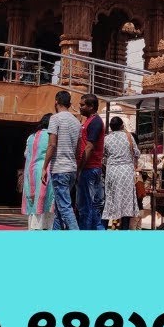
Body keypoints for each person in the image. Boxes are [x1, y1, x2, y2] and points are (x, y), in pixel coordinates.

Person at [45, 91, 81, 230]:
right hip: (71, 168)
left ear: (56, 101)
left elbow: (52, 144)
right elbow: (78, 149)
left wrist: (44, 167)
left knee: (65, 207)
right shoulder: (76, 121)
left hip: (59, 168)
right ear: (69, 103)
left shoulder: (55, 119)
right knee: (60, 208)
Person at [101, 116, 141, 229]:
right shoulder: (128, 136)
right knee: (127, 201)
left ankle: (103, 228)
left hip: (112, 172)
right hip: (126, 173)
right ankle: (124, 229)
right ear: (122, 125)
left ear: (111, 127)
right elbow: (137, 153)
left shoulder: (106, 139)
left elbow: (102, 157)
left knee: (109, 200)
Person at [76, 93, 107, 231]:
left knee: (86, 205)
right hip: (90, 167)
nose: (80, 107)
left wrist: (80, 168)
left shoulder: (95, 122)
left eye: (83, 105)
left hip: (89, 167)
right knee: (91, 205)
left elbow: (89, 147)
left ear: (91, 106)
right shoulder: (89, 120)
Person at [21, 114, 55, 230]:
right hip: (45, 170)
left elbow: (26, 153)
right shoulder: (52, 136)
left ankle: (33, 227)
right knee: (46, 198)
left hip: (30, 171)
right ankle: (44, 227)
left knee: (34, 197)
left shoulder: (31, 137)